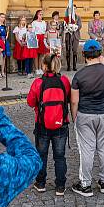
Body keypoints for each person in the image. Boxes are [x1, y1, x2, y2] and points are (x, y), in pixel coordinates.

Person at [70, 40, 104, 197]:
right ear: (100, 54)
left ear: (84, 55)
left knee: (87, 150)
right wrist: (103, 64)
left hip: (85, 114)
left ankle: (86, 185)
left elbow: (74, 100)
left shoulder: (79, 75)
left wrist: (74, 117)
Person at [27, 54, 71, 196]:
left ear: (44, 66)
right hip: (61, 123)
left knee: (41, 155)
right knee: (60, 156)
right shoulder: (64, 81)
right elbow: (68, 98)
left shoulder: (38, 83)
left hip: (42, 124)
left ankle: (40, 183)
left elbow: (30, 102)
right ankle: (60, 186)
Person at [63, 5, 82, 71]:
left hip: (75, 36)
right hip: (68, 36)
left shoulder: (78, 17)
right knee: (68, 51)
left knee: (75, 51)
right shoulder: (67, 17)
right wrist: (68, 28)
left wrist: (74, 27)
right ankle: (68, 66)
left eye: (74, 9)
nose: (73, 10)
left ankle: (74, 66)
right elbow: (64, 26)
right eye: (72, 9)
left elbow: (80, 26)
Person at [32, 9, 48, 75]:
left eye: (42, 15)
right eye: (40, 14)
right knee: (36, 54)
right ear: (37, 15)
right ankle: (36, 69)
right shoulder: (34, 22)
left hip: (42, 37)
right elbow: (33, 31)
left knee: (41, 54)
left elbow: (44, 30)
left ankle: (40, 68)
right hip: (36, 37)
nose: (41, 16)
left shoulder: (44, 22)